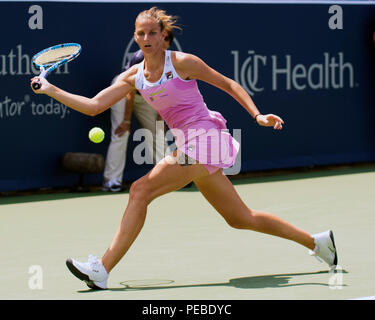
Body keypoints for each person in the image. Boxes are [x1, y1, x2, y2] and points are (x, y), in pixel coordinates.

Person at [31, 7, 338, 290]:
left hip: (205, 138)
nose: (147, 38)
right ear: (135, 37)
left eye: (153, 33)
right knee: (240, 217)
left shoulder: (182, 63)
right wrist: (50, 89)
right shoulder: (133, 76)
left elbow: (229, 84)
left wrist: (256, 114)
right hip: (190, 144)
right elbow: (94, 106)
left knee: (140, 190)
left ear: (164, 35)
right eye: (141, 33)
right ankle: (317, 242)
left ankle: (103, 268)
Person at [103, 32, 174, 192]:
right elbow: (129, 91)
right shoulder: (140, 57)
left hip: (147, 95)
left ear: (168, 44)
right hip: (124, 91)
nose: (161, 45)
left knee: (158, 132)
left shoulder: (170, 63)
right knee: (121, 132)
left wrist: (161, 118)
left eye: (165, 42)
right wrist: (126, 121)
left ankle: (169, 177)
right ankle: (112, 180)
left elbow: (166, 92)